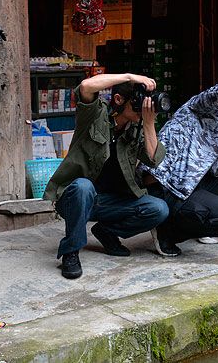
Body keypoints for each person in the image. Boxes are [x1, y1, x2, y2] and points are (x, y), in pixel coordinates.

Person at [43, 73, 169, 279]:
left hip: (111, 203)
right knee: (83, 186)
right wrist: (129, 77)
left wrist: (148, 123)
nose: (143, 108)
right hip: (76, 199)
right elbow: (86, 86)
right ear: (118, 99)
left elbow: (154, 159)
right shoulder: (95, 115)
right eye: (137, 102)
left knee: (158, 209)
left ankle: (107, 231)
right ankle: (71, 251)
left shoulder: (137, 129)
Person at [141, 83, 218, 256]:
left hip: (187, 186)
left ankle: (215, 230)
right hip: (164, 187)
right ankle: (167, 232)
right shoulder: (201, 108)